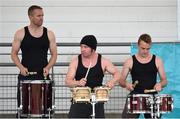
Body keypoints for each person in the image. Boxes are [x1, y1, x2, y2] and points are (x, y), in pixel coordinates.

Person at [11, 5, 57, 117]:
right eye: (38, 15)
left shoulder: (49, 33)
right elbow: (13, 54)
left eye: (42, 15)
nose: (41, 18)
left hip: (43, 77)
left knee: (45, 111)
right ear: (30, 16)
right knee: (23, 111)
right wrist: (21, 68)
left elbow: (54, 54)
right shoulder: (20, 33)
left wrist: (48, 67)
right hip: (25, 77)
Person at [65, 35, 120, 118]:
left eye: (85, 47)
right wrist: (78, 82)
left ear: (93, 49)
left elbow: (117, 73)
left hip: (97, 101)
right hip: (79, 100)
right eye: (81, 47)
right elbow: (68, 81)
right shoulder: (75, 61)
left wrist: (112, 82)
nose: (82, 49)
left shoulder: (103, 61)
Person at [119, 33, 167, 118]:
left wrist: (160, 84)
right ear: (138, 45)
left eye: (148, 49)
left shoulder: (157, 60)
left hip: (152, 96)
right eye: (143, 48)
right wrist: (127, 84)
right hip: (135, 95)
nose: (145, 51)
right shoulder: (129, 61)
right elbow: (121, 81)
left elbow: (164, 80)